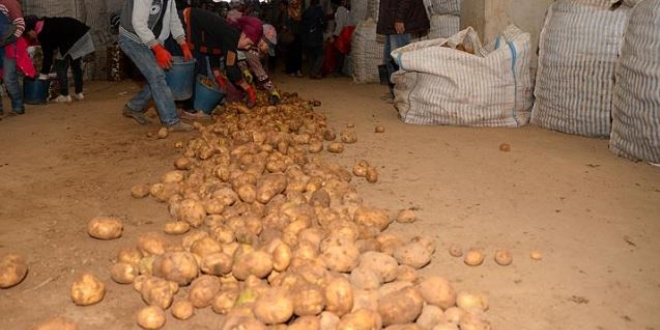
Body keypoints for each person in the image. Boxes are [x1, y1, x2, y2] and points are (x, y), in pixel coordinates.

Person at [118, 0, 194, 132]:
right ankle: (171, 121)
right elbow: (138, 24)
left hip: (151, 39)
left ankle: (134, 107)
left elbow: (173, 20)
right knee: (157, 76)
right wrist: (158, 49)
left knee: (158, 76)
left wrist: (183, 43)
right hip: (132, 39)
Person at [175, 7, 263, 119]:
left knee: (200, 68)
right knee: (196, 67)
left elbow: (214, 52)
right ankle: (191, 109)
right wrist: (247, 88)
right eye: (249, 44)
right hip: (185, 22)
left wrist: (218, 76)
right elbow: (231, 68)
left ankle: (193, 106)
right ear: (244, 35)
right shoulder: (232, 37)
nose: (247, 47)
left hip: (189, 21)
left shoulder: (231, 34)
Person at [24, 16, 95, 103]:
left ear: (31, 30)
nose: (30, 37)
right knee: (75, 64)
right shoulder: (46, 23)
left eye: (28, 34)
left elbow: (48, 56)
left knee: (60, 65)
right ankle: (79, 93)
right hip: (82, 34)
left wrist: (43, 75)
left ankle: (65, 95)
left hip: (72, 38)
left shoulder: (43, 33)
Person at [376, 0, 429, 102]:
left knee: (399, 60)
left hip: (398, 21)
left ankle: (403, 94)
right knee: (389, 58)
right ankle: (395, 92)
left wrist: (399, 18)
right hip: (391, 21)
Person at [237, 24, 281, 105]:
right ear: (263, 40)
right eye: (268, 47)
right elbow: (260, 72)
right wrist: (272, 91)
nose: (267, 51)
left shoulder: (251, 41)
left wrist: (245, 70)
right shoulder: (252, 50)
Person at [0, 0, 26, 116]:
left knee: (9, 79)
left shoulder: (9, 2)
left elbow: (20, 24)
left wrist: (11, 39)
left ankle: (18, 106)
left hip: (9, 45)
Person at [301, 0, 326, 79]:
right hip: (316, 36)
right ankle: (314, 72)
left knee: (311, 55)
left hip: (307, 37)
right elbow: (323, 24)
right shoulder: (319, 11)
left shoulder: (306, 12)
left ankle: (312, 71)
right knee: (321, 55)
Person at [283, 0, 303, 77]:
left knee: (298, 54)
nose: (295, 5)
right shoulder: (287, 12)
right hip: (290, 35)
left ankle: (298, 70)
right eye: (293, 3)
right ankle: (291, 70)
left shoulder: (301, 11)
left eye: (296, 3)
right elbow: (285, 23)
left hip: (298, 35)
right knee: (290, 53)